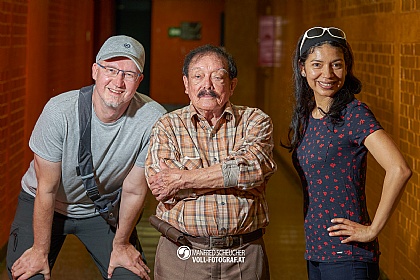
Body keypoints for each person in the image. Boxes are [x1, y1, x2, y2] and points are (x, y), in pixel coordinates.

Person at [7, 35, 166, 280]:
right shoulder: (59, 112)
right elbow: (46, 189)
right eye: (111, 69)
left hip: (100, 210)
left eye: (129, 74)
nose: (118, 81)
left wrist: (122, 244)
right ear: (95, 71)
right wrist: (39, 250)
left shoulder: (153, 120)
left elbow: (134, 190)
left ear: (139, 81)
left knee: (131, 276)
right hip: (44, 201)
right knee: (28, 275)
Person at [281, 26, 412, 280]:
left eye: (337, 65)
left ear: (347, 67)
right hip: (317, 251)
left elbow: (399, 169)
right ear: (302, 68)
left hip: (349, 255)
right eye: (317, 64)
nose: (327, 74)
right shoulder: (308, 116)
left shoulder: (354, 114)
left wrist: (372, 230)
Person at [145, 44, 277, 279]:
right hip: (183, 254)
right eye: (198, 76)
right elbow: (161, 187)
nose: (207, 85)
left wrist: (183, 179)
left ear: (232, 84)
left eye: (218, 77)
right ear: (186, 84)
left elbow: (253, 170)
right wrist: (233, 179)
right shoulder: (167, 126)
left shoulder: (255, 121)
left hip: (244, 256)